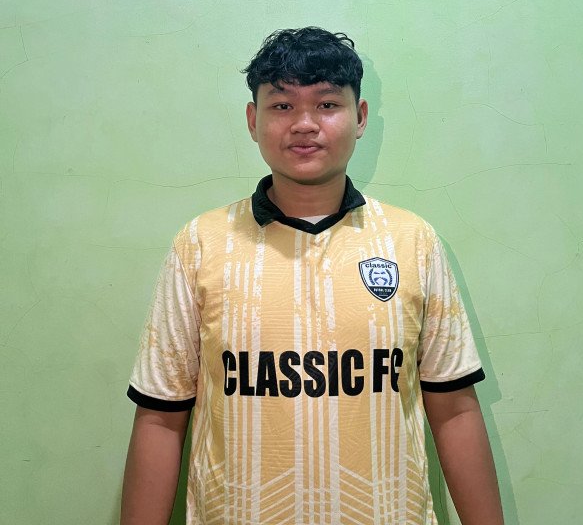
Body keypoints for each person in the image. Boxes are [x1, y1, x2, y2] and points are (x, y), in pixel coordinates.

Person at [121, 27, 504, 525]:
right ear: (253, 120)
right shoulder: (199, 245)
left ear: (360, 117)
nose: (304, 124)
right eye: (282, 106)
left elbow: (454, 409)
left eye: (326, 104)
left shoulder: (413, 242)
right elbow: (160, 417)